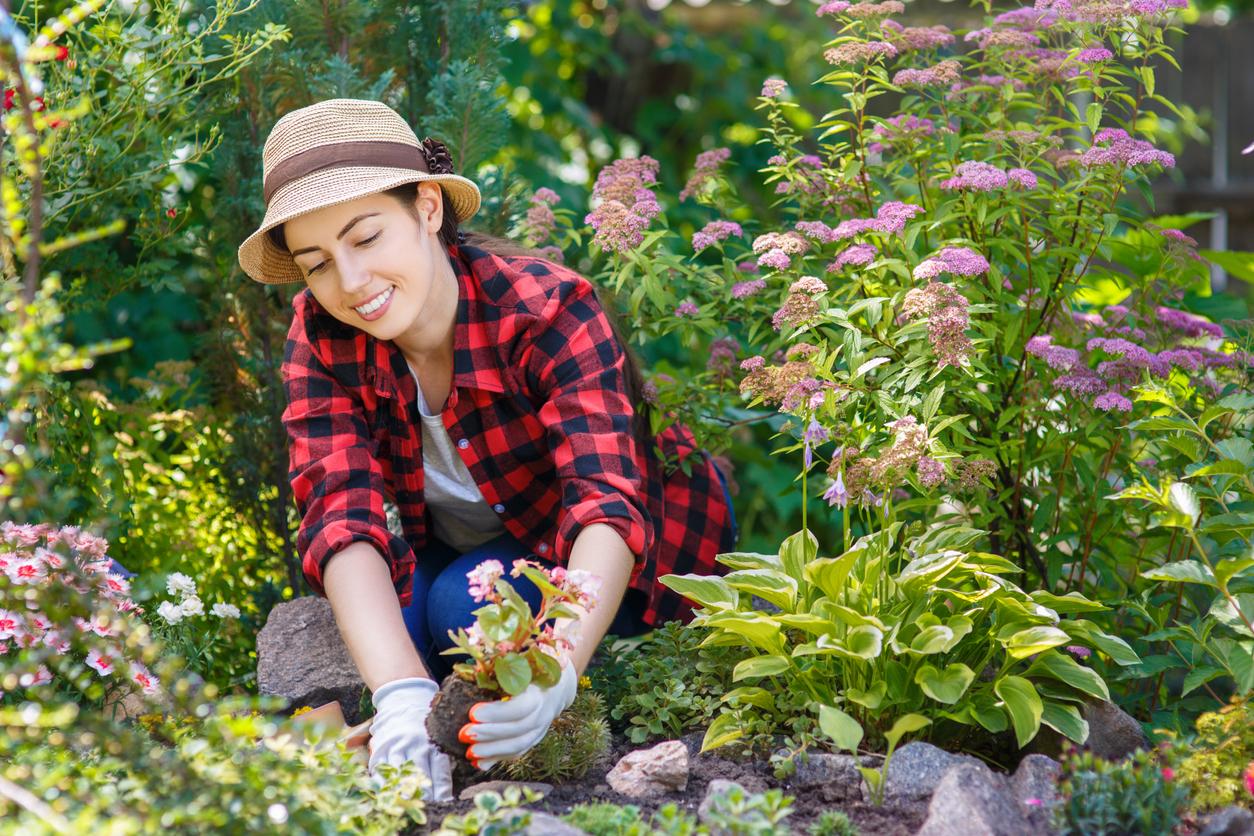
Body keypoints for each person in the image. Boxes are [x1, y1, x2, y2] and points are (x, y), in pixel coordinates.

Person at [236, 99, 739, 800]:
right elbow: (336, 514)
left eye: (367, 237)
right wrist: (404, 697)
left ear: (429, 208)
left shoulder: (548, 310)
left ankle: (583, 680)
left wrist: (558, 668)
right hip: (474, 547)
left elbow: (607, 506)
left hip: (624, 553)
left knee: (456, 611)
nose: (350, 284)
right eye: (318, 263)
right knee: (386, 649)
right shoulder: (321, 333)